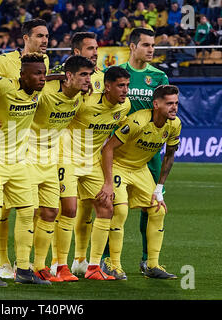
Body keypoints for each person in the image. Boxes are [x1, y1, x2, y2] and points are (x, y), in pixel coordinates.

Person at [51, 66, 132, 281]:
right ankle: (60, 266)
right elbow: (58, 118)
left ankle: (94, 267)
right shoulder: (84, 102)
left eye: (127, 86)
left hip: (92, 162)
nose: (125, 91)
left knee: (106, 207)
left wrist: (108, 182)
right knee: (69, 209)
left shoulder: (125, 108)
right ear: (107, 87)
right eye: (120, 86)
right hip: (66, 158)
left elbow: (111, 144)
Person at [101, 28, 170, 276]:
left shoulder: (160, 76)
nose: (151, 49)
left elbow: (166, 110)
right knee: (115, 207)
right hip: (119, 149)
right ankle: (107, 258)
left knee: (151, 204)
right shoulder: (118, 74)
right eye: (145, 45)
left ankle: (146, 260)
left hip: (149, 152)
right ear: (132, 47)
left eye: (153, 45)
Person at [0, 53, 49, 286]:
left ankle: (24, 270)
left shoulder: (39, 90)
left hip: (19, 161)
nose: (42, 78)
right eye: (37, 73)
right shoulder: (5, 86)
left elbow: (59, 79)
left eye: (44, 73)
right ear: (22, 75)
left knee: (28, 212)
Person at [97, 84, 182, 280]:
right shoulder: (137, 121)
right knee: (120, 210)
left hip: (140, 168)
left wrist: (159, 188)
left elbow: (170, 155)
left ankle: (152, 265)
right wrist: (108, 182)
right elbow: (108, 149)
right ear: (156, 104)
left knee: (158, 209)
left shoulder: (175, 124)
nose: (174, 108)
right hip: (118, 165)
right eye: (169, 103)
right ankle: (112, 264)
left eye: (176, 103)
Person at [28, 55, 94, 282]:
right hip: (27, 154)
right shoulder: (44, 92)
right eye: (83, 75)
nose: (88, 80)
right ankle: (21, 265)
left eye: (90, 75)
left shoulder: (79, 97)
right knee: (29, 212)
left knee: (50, 211)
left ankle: (42, 266)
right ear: (68, 76)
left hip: (52, 156)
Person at [0, 18, 50, 280]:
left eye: (47, 36)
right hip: (1, 141)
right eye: (39, 36)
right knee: (2, 209)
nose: (45, 40)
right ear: (25, 38)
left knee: (28, 207)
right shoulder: (4, 62)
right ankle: (3, 262)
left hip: (28, 143)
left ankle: (25, 264)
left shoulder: (46, 62)